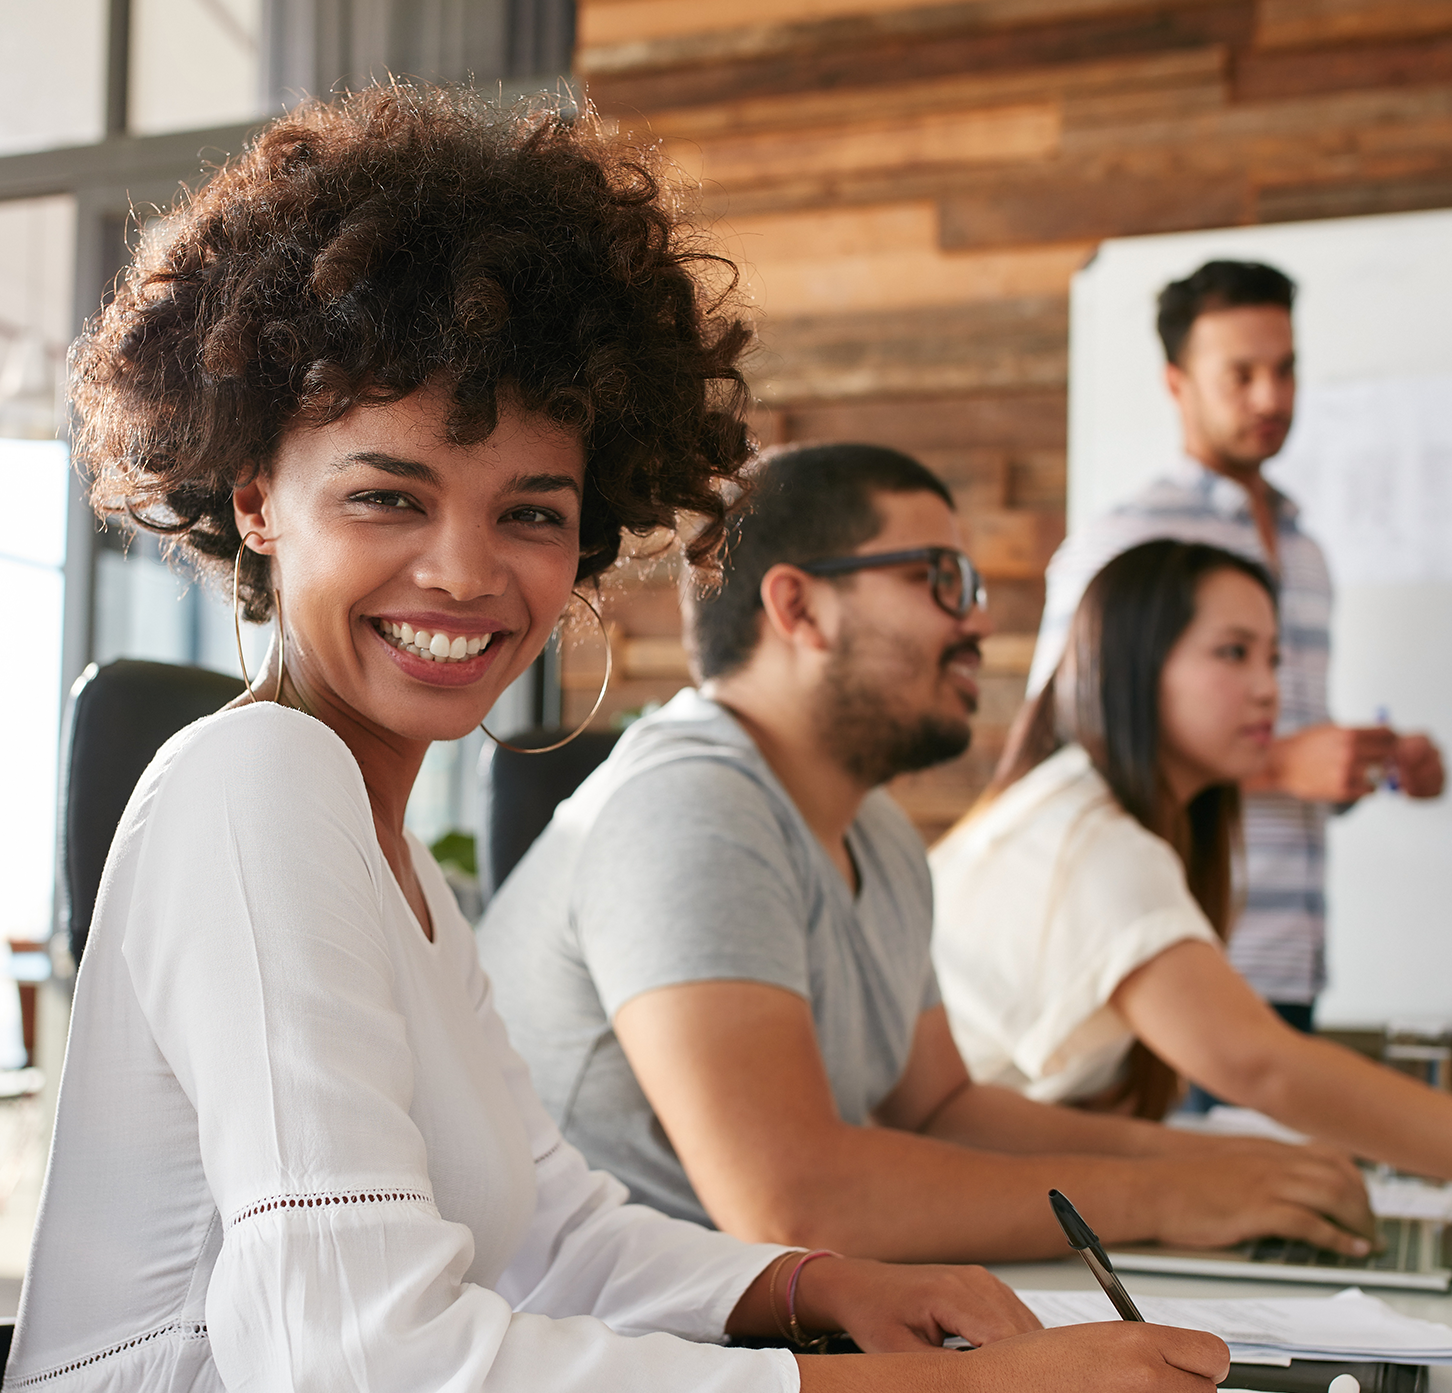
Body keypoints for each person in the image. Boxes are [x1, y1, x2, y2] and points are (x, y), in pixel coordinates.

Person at [0, 87, 1234, 1393]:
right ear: (260, 494)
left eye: (530, 512)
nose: (466, 572)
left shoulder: (387, 850)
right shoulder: (254, 785)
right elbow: (355, 1362)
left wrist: (806, 1284)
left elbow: (547, 1222)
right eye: (390, 497)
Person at [480, 443, 1377, 1265]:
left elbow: (941, 1112)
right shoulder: (688, 807)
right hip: (620, 1368)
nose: (978, 620)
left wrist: (1218, 1165)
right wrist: (1167, 1193)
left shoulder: (876, 835)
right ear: (800, 608)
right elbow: (793, 1205)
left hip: (749, 1337)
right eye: (940, 579)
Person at [932, 538, 1452, 1182]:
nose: (1267, 691)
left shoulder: (1095, 808)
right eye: (1233, 653)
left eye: (1273, 660)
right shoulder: (1093, 842)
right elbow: (1261, 1065)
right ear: (1135, 665)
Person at [1028, 259, 1445, 1040]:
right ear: (1177, 383)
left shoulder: (1309, 552)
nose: (1273, 398)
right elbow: (1061, 745)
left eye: (1287, 371)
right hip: (1167, 953)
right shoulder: (1126, 542)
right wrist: (1283, 763)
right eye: (1241, 374)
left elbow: (1260, 739)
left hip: (1293, 963)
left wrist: (1366, 765)